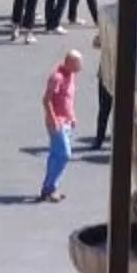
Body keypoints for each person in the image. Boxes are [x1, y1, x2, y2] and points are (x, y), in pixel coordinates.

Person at [38, 51, 82, 203]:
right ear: (69, 62)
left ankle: (50, 188)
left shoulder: (71, 76)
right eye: (78, 63)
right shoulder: (57, 77)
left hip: (66, 122)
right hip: (57, 122)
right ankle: (49, 187)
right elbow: (46, 99)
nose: (80, 67)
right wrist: (52, 118)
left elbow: (68, 99)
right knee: (64, 154)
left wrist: (72, 116)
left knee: (56, 155)